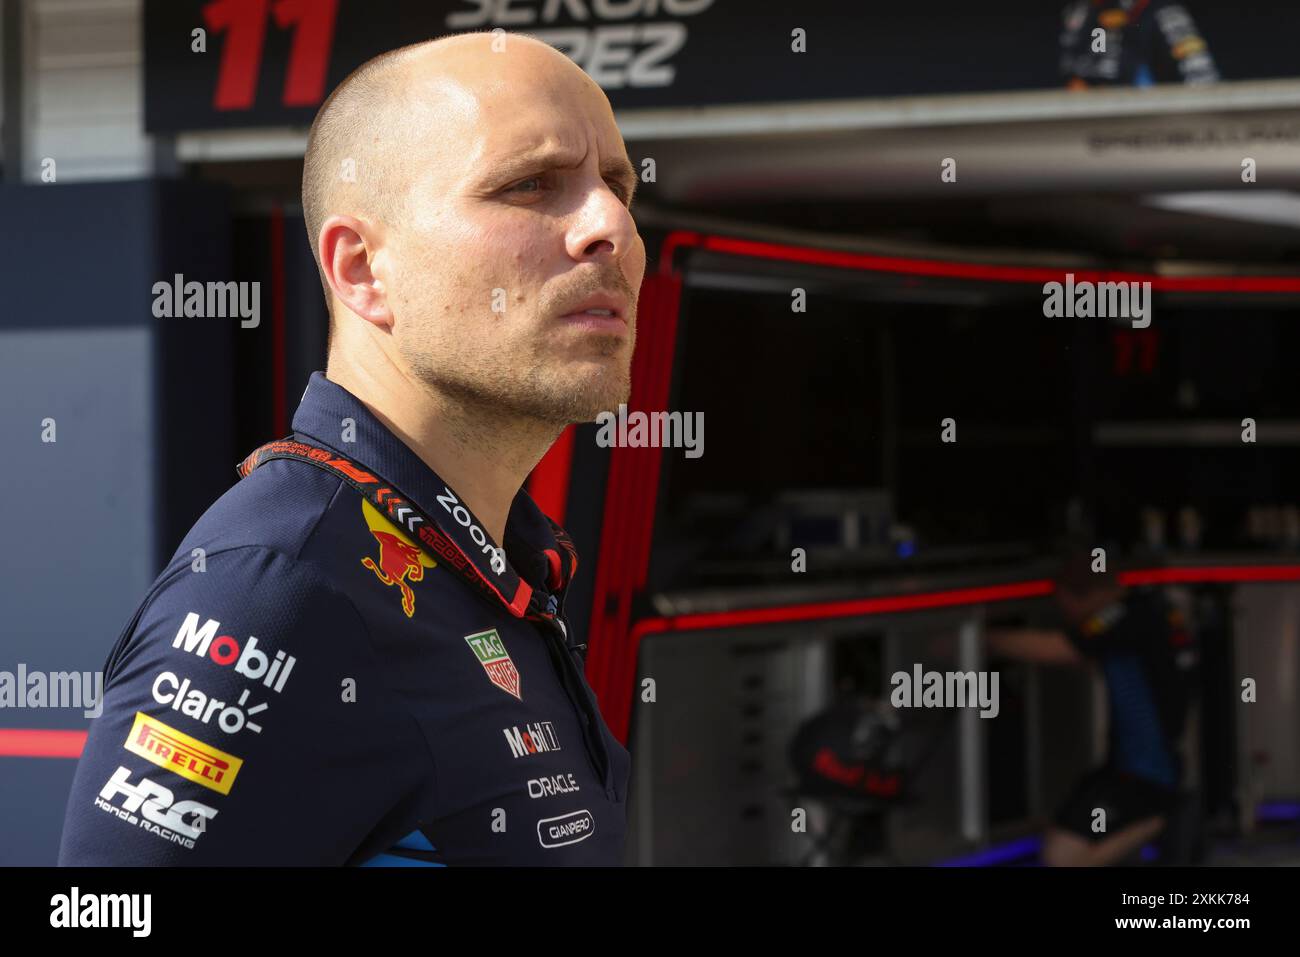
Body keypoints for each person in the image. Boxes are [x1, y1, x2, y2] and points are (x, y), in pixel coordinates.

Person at [58, 31, 644, 865]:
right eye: (530, 185)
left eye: (618, 187)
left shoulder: (492, 561)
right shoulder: (279, 587)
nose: (611, 226)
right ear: (363, 267)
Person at [984, 548, 1198, 866]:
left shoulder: (1121, 618)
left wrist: (979, 638)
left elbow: (1061, 648)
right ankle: (1152, 824)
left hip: (1144, 777)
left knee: (1061, 858)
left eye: (1064, 603)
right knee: (1058, 824)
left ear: (1078, 596)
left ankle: (1157, 823)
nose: (1066, 614)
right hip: (1140, 767)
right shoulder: (1151, 607)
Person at [1059, 0, 1219, 89]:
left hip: (1157, 127)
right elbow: (1078, 78)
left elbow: (1203, 81)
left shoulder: (1167, 13)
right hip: (1095, 125)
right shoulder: (1086, 12)